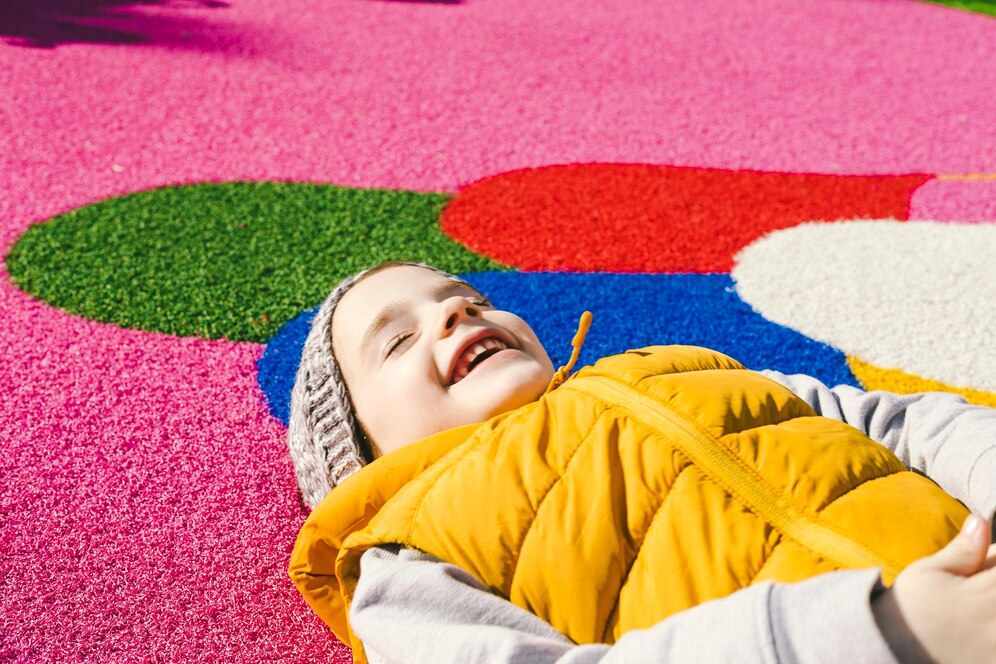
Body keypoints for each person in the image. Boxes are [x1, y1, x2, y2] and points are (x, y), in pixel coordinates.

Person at [287, 260, 996, 664]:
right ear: (359, 451)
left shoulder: (675, 369)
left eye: (468, 300)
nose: (457, 316)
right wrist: (882, 635)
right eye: (397, 341)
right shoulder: (403, 560)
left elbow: (896, 421)